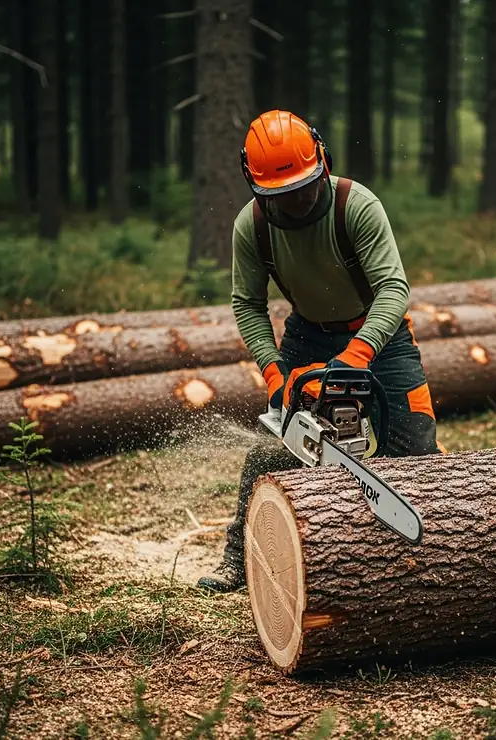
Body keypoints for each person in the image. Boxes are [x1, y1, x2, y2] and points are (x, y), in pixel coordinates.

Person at [197, 109, 442, 593]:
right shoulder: (252, 226)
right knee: (276, 447)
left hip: (379, 333)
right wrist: (273, 373)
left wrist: (358, 353)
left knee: (415, 445)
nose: (294, 202)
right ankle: (240, 558)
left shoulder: (356, 205)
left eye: (303, 189)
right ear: (255, 185)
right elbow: (247, 305)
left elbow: (393, 289)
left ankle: (428, 555)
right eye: (279, 196)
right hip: (307, 334)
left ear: (322, 164)